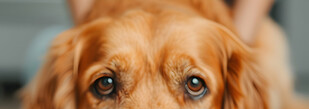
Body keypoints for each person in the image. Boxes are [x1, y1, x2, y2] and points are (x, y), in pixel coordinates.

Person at [67, 0, 274, 46]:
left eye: (193, 85)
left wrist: (237, 44)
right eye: (106, 84)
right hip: (110, 20)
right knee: (38, 51)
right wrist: (89, 40)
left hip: (221, 24)